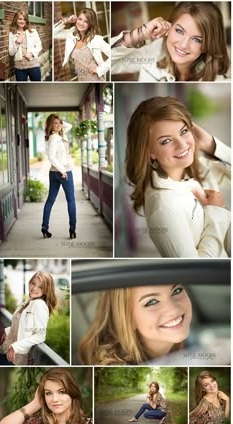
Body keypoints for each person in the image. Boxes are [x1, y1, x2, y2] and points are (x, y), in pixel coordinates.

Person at [125, 96, 231, 258]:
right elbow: (197, 274)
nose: (182, 145)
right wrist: (217, 212)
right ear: (149, 152)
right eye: (166, 141)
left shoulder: (191, 169)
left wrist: (210, 144)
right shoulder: (164, 207)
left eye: (183, 131)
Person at [111, 2, 229, 82]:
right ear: (169, 27)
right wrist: (141, 34)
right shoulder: (153, 53)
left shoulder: (220, 81)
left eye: (197, 39)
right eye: (179, 31)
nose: (183, 45)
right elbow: (104, 63)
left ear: (208, 45)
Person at [79, 283, 193, 365]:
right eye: (151, 302)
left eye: (176, 291)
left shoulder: (190, 344)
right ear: (128, 319)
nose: (173, 310)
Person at [0, 367, 92, 424]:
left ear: (72, 392)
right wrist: (35, 403)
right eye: (48, 393)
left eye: (62, 392)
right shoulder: (37, 423)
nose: (54, 399)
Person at [0, 271, 57, 366]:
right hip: (5, 349)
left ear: (46, 290)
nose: (34, 288)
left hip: (14, 358)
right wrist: (8, 332)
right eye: (33, 283)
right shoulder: (29, 301)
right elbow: (22, 325)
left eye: (40, 287)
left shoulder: (39, 305)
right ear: (29, 282)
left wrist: (15, 346)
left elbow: (40, 335)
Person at [41, 115, 76, 240]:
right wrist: (63, 170)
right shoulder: (54, 138)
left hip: (55, 173)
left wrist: (59, 123)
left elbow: (69, 125)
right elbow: (51, 157)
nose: (59, 125)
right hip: (63, 172)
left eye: (59, 123)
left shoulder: (60, 135)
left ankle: (45, 229)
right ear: (50, 126)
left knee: (51, 200)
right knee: (70, 200)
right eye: (55, 123)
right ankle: (72, 230)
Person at [54, 9, 110, 82]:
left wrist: (99, 70)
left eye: (86, 21)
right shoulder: (71, 35)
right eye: (80, 19)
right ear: (76, 19)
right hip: (80, 79)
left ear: (90, 24)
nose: (81, 23)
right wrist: (67, 21)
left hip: (95, 80)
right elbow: (53, 33)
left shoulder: (96, 39)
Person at [9, 10, 42, 81]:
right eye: (20, 19)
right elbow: (11, 53)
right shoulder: (12, 34)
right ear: (16, 20)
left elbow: (39, 46)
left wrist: (31, 53)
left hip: (33, 65)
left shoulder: (33, 32)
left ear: (26, 21)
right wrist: (17, 43)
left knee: (36, 86)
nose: (22, 21)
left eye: (24, 19)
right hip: (20, 68)